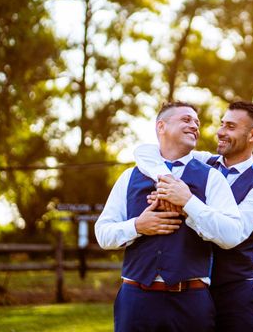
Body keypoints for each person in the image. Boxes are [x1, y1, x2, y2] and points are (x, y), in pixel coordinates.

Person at [95, 101, 242, 332]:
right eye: (186, 119)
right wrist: (138, 226)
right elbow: (103, 234)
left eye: (197, 122)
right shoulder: (129, 177)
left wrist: (189, 205)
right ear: (161, 126)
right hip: (135, 300)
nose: (194, 125)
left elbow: (232, 234)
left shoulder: (212, 178)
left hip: (191, 301)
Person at [137, 100, 253, 332]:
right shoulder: (204, 162)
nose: (220, 132)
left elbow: (232, 234)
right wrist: (167, 181)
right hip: (196, 291)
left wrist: (186, 201)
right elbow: (145, 151)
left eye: (230, 127)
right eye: (222, 124)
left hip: (236, 294)